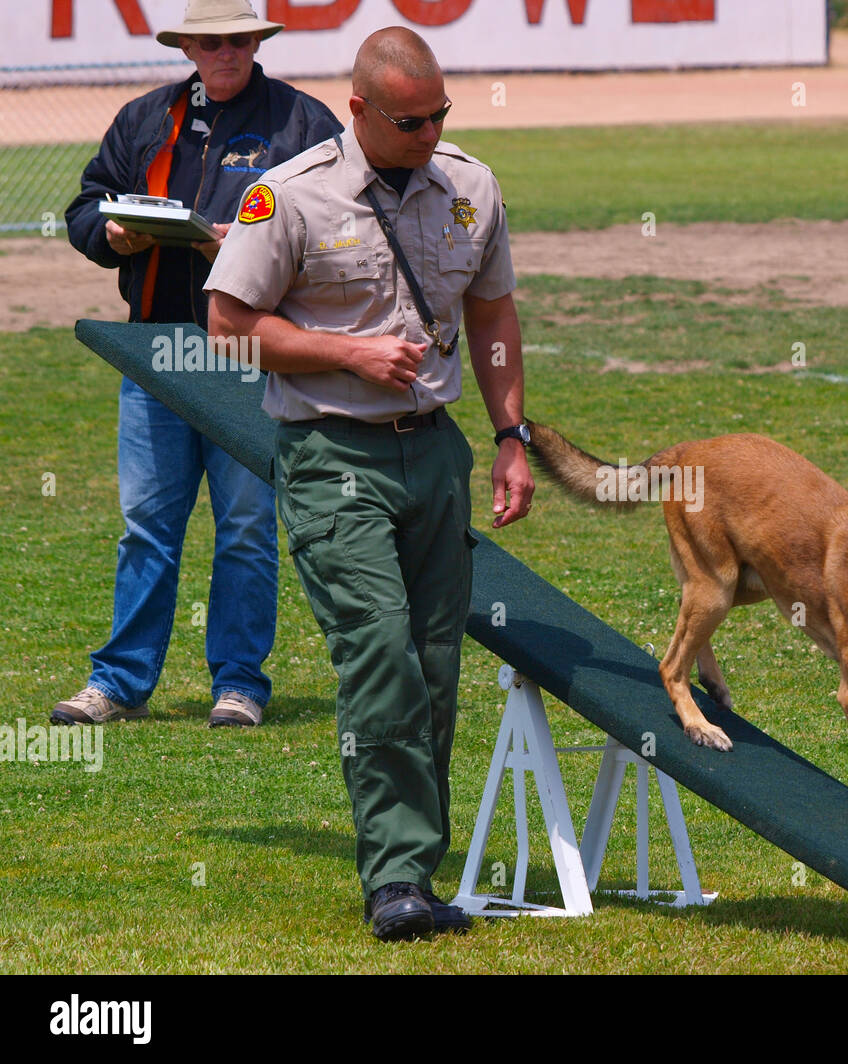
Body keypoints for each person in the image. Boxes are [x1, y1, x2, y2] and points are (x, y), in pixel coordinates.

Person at [205, 26, 535, 940]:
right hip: (330, 457)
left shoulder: (470, 185)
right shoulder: (292, 194)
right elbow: (229, 322)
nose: (428, 134)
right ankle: (394, 876)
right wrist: (345, 352)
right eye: (408, 121)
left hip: (435, 453)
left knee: (433, 666)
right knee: (381, 651)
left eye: (439, 116)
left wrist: (511, 435)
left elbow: (494, 310)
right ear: (358, 110)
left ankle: (412, 871)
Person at [59, 0, 342, 728]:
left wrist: (250, 251)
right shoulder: (144, 118)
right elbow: (85, 207)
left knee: (246, 524)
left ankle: (241, 683)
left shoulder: (303, 123)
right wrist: (112, 236)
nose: (228, 52)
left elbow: (344, 225)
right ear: (186, 44)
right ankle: (118, 682)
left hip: (251, 351)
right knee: (148, 521)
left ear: (258, 42)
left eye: (241, 39)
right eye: (213, 41)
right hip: (153, 349)